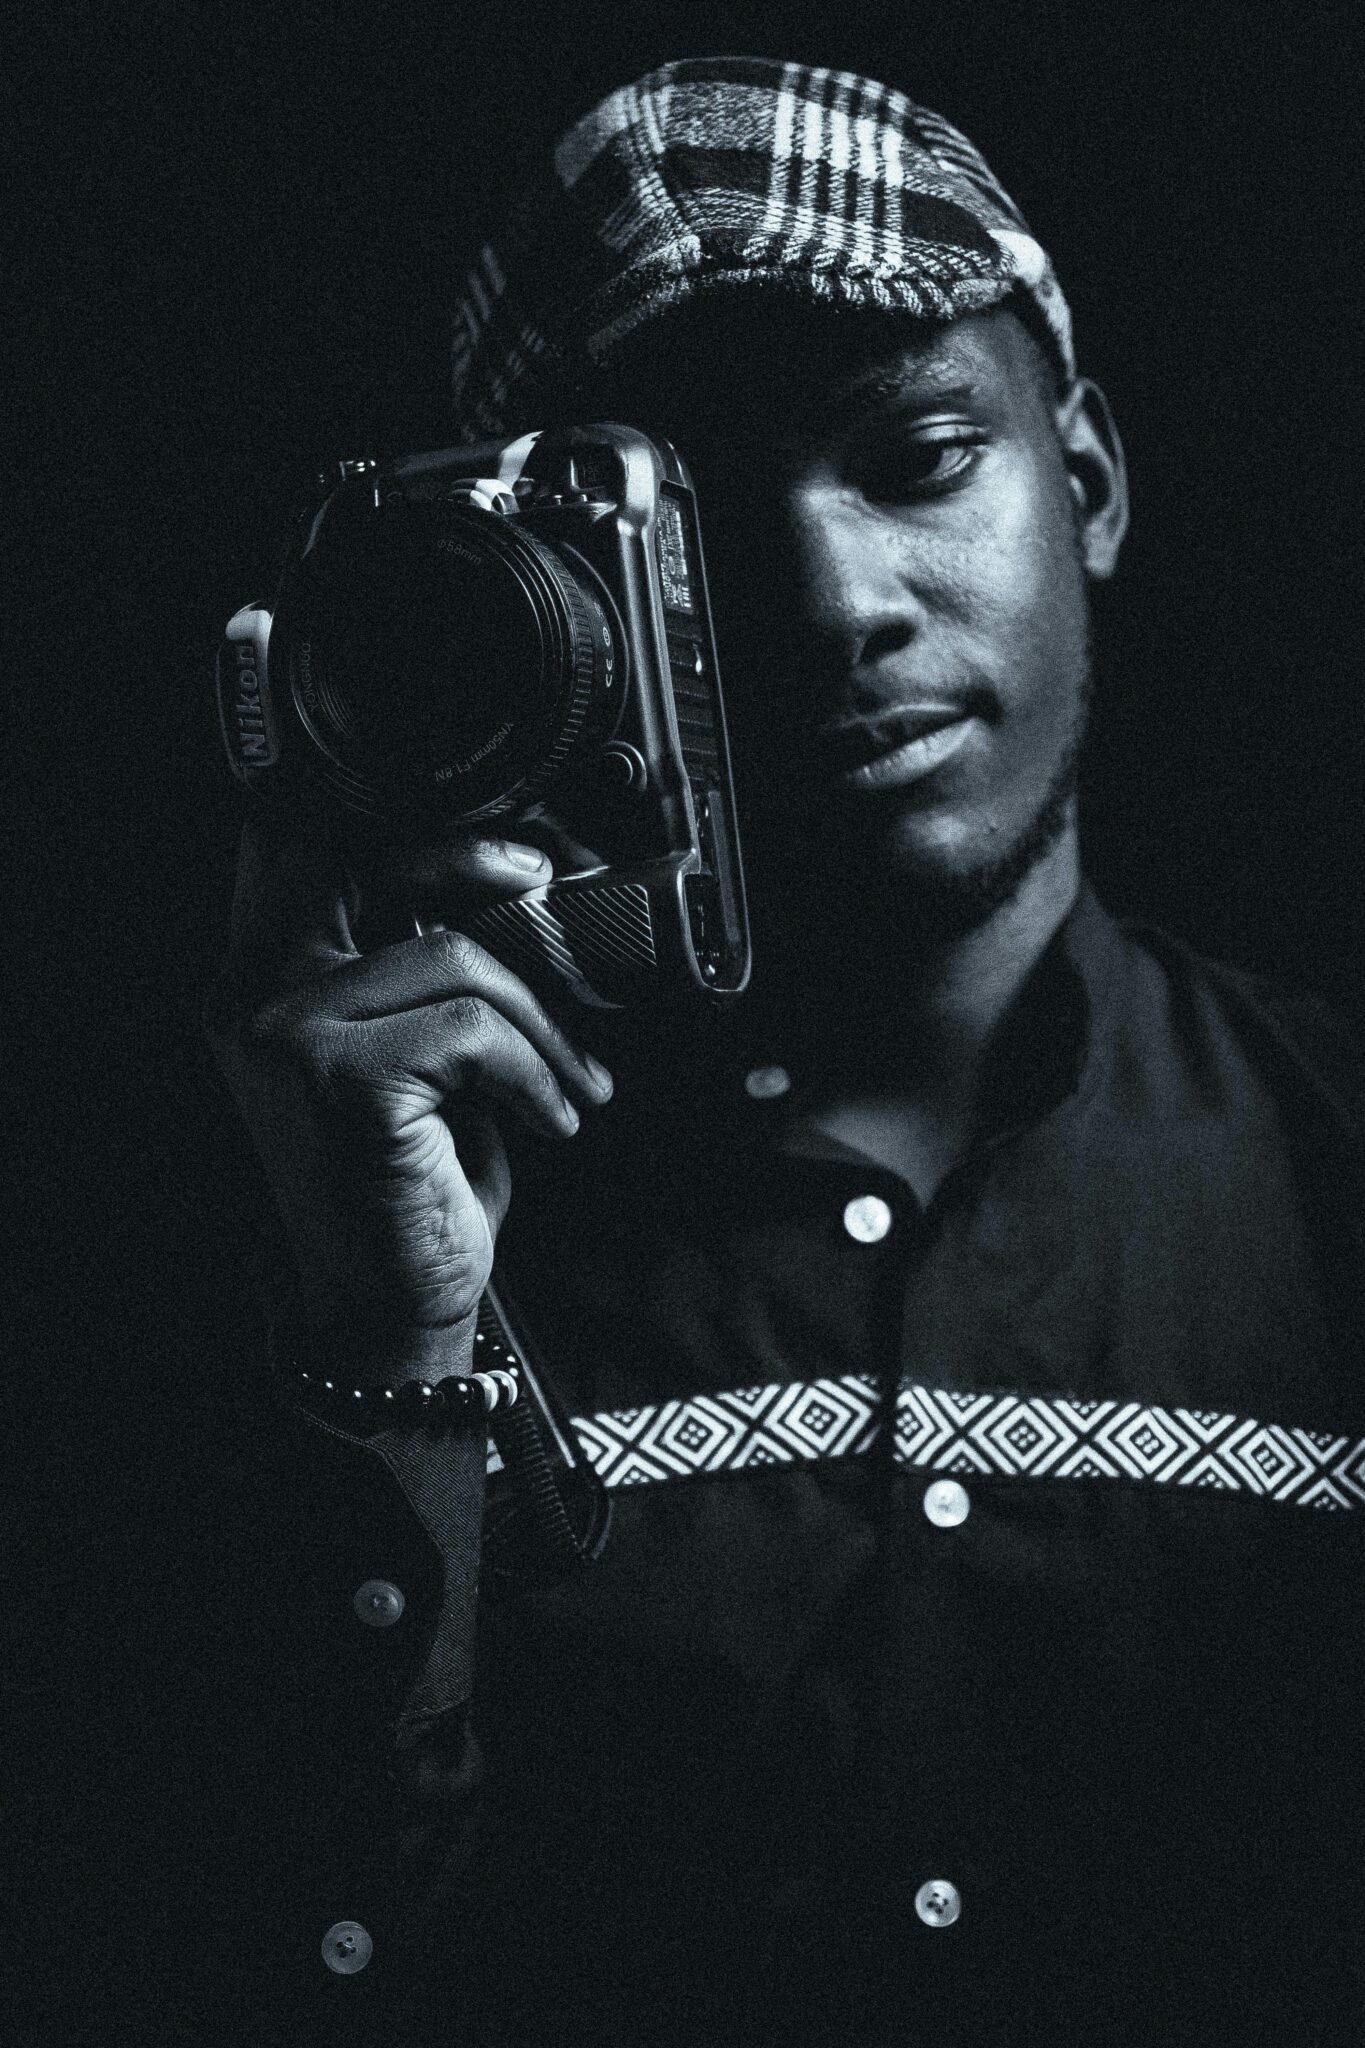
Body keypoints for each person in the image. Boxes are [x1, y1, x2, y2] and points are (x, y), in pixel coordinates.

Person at [190, 56, 1364, 2048]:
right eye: (704, 531)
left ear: (1078, 483)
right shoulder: (362, 1234)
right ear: (564, 621)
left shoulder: (1334, 1161)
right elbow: (249, 1957)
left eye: (912, 458)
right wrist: (381, 1357)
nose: (828, 604)